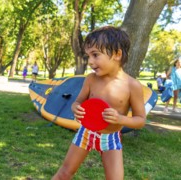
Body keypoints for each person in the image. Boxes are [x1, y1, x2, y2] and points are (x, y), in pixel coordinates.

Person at [52, 26, 146, 180]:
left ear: (117, 54)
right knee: (64, 173)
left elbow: (140, 120)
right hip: (85, 134)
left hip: (111, 138)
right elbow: (77, 102)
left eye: (95, 55)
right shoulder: (91, 79)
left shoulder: (132, 86)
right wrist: (76, 108)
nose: (90, 61)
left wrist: (120, 119)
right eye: (88, 56)